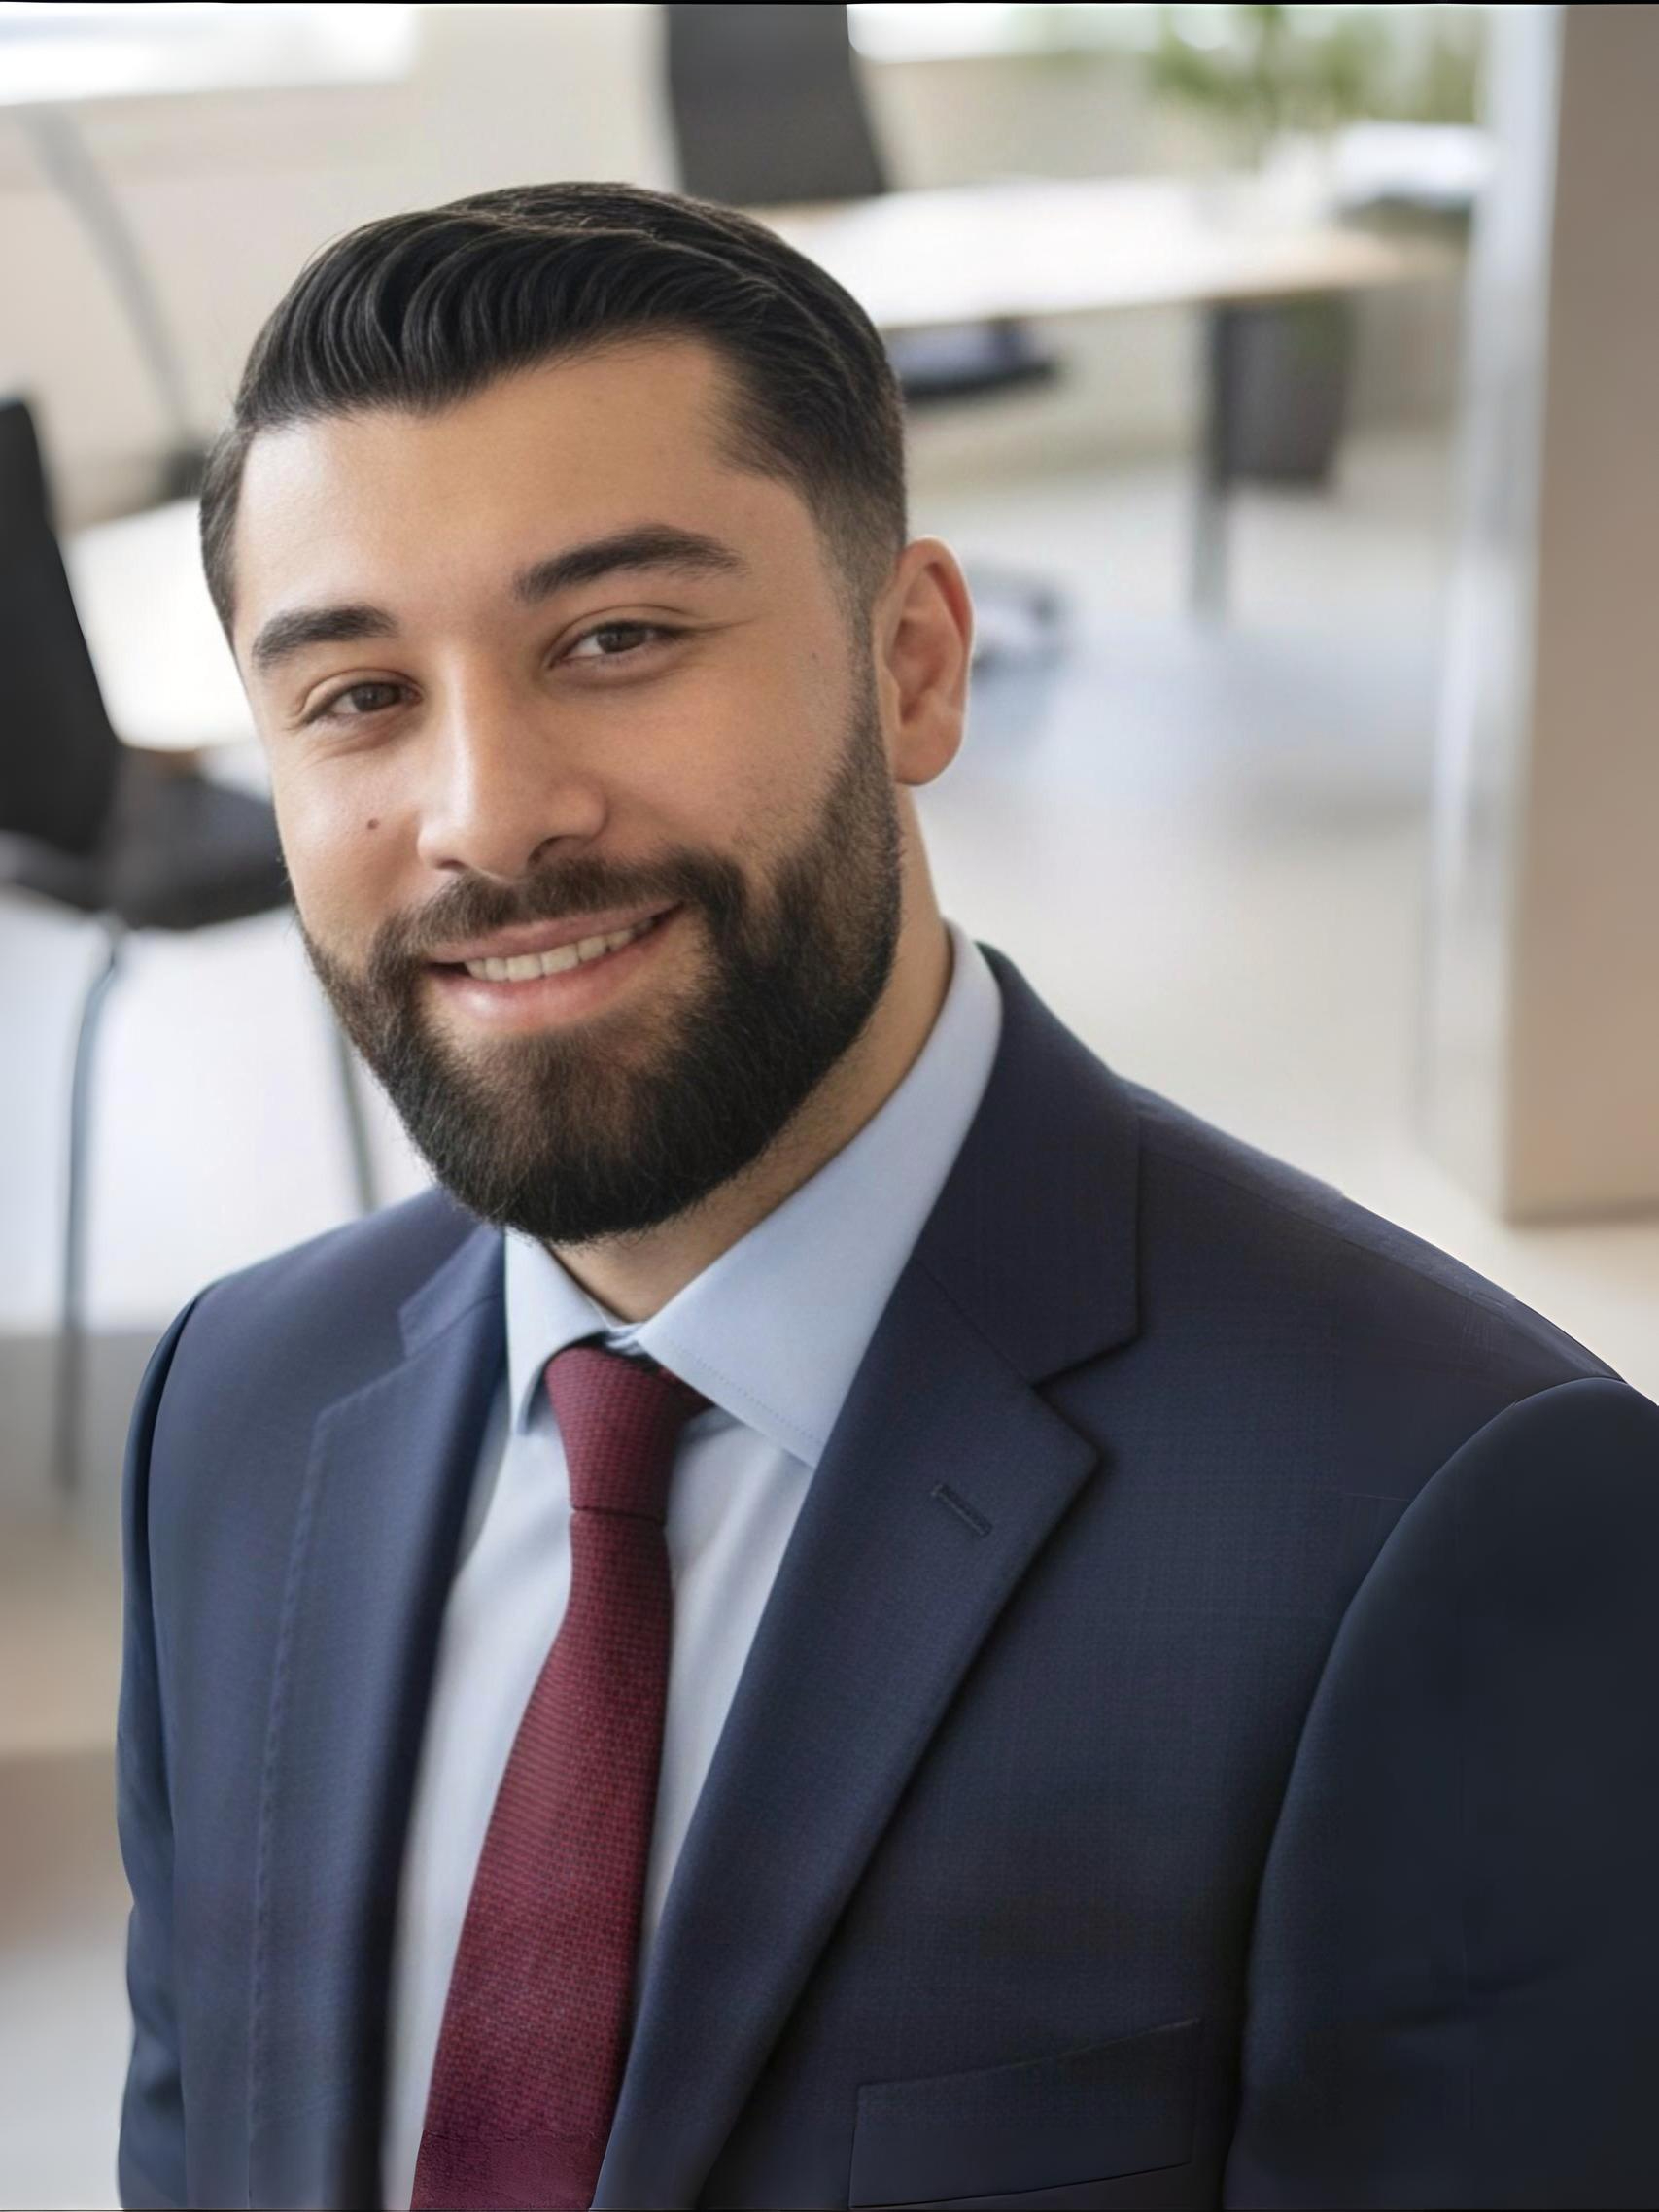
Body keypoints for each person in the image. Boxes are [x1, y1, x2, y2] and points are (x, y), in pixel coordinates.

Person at [115, 182, 1659, 2212]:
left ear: (915, 663)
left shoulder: (1448, 1514)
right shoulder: (232, 1408)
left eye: (618, 639)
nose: (486, 817)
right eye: (358, 697)